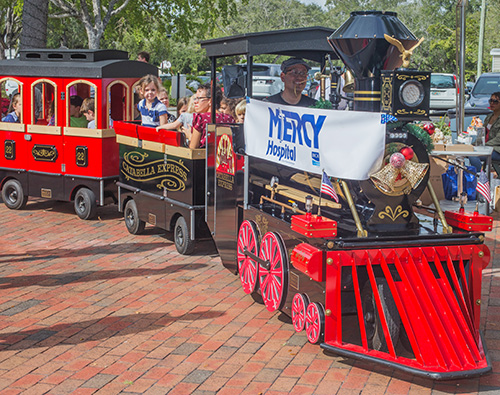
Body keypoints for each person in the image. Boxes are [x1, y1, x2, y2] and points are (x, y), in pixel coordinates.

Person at [189, 83, 234, 149]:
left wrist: (189, 136)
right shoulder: (229, 118)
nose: (195, 102)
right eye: (195, 99)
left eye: (199, 98)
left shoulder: (201, 118)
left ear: (210, 101)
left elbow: (193, 147)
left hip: (204, 158)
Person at [469, 92, 500, 172]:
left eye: (495, 101)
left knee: (473, 156)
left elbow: (498, 139)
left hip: (496, 150)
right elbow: (482, 134)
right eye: (490, 101)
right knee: (467, 152)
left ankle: (480, 177)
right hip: (485, 147)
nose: (492, 103)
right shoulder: (488, 117)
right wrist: (474, 144)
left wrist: (483, 146)